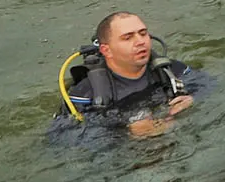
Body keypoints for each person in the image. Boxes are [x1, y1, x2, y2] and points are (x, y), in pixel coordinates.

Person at [63, 12, 194, 136]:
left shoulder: (171, 70)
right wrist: (126, 131)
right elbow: (64, 139)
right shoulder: (85, 94)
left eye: (143, 34)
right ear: (106, 50)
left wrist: (191, 100)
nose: (140, 41)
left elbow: (208, 86)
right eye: (128, 38)